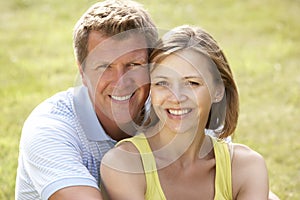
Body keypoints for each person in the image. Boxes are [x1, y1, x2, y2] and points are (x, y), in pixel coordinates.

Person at [100, 25, 270, 199]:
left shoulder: (246, 167)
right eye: (162, 83)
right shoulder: (124, 164)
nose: (176, 97)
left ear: (218, 90)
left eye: (191, 83)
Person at [15, 0, 158, 199]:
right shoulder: (50, 129)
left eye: (133, 64)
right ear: (82, 71)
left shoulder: (168, 111)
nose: (120, 82)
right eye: (104, 67)